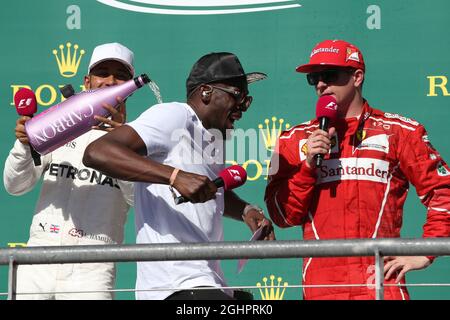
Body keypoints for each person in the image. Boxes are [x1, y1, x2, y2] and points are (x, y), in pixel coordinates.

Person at [265, 39, 450, 300]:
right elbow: (282, 216)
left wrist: (427, 249)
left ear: (357, 77)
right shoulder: (292, 140)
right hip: (321, 289)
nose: (320, 84)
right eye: (314, 78)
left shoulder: (400, 132)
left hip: (381, 287)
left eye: (329, 75)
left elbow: (443, 190)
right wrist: (307, 167)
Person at [82, 52, 276, 300]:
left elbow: (207, 188)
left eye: (247, 100)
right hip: (174, 285)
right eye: (237, 96)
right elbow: (98, 152)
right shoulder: (174, 115)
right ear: (205, 92)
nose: (242, 107)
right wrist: (174, 176)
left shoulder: (216, 137)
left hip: (207, 282)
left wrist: (246, 210)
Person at [3, 42, 136, 299]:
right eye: (103, 73)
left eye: (120, 75)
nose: (110, 81)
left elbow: (140, 201)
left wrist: (123, 144)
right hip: (38, 257)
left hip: (94, 263)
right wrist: (23, 145)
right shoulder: (60, 124)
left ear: (130, 86)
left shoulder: (140, 138)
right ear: (88, 81)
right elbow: (15, 185)